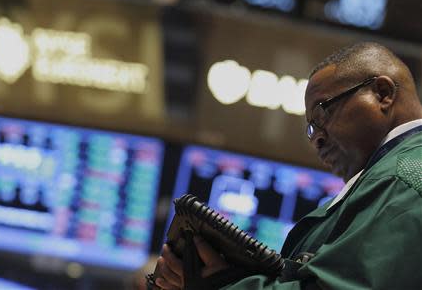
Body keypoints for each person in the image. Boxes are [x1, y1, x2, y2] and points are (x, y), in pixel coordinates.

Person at [152, 42, 422, 289]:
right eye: (311, 128)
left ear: (383, 93)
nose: (316, 138)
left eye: (322, 112)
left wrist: (222, 284)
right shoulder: (391, 176)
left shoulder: (402, 178)